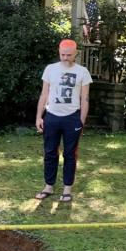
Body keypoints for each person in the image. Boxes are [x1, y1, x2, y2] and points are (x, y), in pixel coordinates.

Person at [35, 39, 92, 203]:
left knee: (70, 154)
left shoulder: (82, 72)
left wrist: (81, 121)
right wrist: (39, 116)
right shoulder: (50, 69)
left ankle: (67, 189)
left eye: (69, 55)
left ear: (75, 54)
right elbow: (44, 94)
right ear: (59, 52)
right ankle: (48, 186)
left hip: (72, 117)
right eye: (62, 54)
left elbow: (85, 99)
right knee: (50, 152)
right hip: (51, 116)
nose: (65, 58)